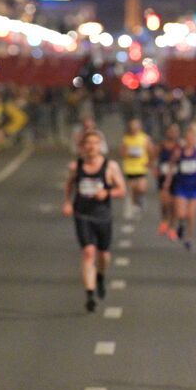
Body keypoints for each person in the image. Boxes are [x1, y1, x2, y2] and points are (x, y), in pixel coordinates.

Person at [63, 130, 126, 313]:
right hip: (82, 215)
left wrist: (107, 193)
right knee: (89, 253)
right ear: (82, 147)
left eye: (95, 143)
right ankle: (90, 294)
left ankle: (100, 276)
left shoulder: (110, 167)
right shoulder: (76, 167)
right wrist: (67, 202)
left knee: (103, 254)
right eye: (88, 143)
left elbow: (122, 190)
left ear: (100, 146)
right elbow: (69, 184)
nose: (91, 147)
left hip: (103, 216)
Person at [167, 123, 196, 250]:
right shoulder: (179, 152)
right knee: (181, 213)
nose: (190, 140)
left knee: (191, 214)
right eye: (188, 138)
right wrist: (168, 181)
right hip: (181, 185)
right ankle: (180, 224)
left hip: (194, 186)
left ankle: (189, 238)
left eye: (193, 138)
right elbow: (171, 165)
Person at [119, 118, 153, 220]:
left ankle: (140, 201)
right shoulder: (126, 139)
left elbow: (151, 151)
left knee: (141, 188)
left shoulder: (145, 138)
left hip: (141, 167)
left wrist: (150, 162)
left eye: (136, 127)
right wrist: (130, 153)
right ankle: (135, 205)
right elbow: (122, 153)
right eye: (132, 127)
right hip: (130, 167)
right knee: (133, 189)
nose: (134, 129)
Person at [155, 123, 181, 238]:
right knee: (164, 202)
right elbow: (153, 157)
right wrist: (155, 169)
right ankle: (165, 220)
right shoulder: (162, 146)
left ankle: (172, 227)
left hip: (177, 177)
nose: (173, 133)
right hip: (163, 176)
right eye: (171, 131)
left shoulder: (180, 147)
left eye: (175, 131)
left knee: (174, 204)